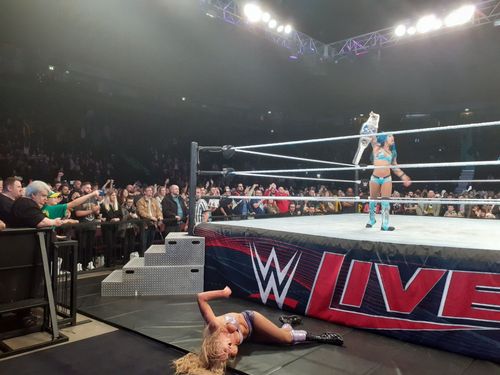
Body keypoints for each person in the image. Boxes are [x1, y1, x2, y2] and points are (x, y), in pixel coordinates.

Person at [173, 287, 343, 375]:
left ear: (216, 342)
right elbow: (232, 349)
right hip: (251, 335)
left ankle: (321, 338)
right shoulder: (225, 351)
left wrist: (223, 293)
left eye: (226, 349)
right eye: (227, 354)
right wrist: (231, 351)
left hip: (251, 319)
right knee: (280, 337)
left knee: (284, 339)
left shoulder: (214, 326)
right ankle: (287, 322)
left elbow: (200, 297)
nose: (230, 350)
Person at [362, 112, 411, 231]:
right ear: (384, 138)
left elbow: (394, 166)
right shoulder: (376, 147)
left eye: (393, 136)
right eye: (390, 136)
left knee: (385, 202)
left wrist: (403, 176)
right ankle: (372, 219)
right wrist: (374, 119)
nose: (392, 137)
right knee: (373, 201)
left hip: (387, 179)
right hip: (374, 177)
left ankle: (385, 224)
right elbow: (373, 133)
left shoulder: (393, 153)